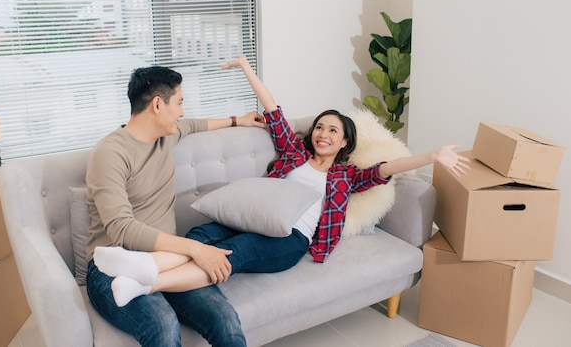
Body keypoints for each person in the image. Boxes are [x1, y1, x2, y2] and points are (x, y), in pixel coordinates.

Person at [93, 55, 471, 308]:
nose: (323, 133)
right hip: (254, 218)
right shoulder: (293, 153)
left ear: (345, 143)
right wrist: (245, 68)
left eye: (333, 130)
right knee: (201, 238)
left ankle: (144, 283)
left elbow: (387, 168)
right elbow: (273, 110)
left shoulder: (346, 177)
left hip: (289, 239)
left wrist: (431, 156)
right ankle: (134, 265)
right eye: (320, 126)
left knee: (233, 256)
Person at [85, 64, 266, 347]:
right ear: (157, 104)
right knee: (163, 325)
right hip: (113, 267)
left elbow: (195, 124)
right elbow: (121, 228)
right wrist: (196, 249)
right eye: (179, 102)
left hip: (166, 260)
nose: (182, 111)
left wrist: (237, 119)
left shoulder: (166, 136)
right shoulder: (110, 153)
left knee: (225, 319)